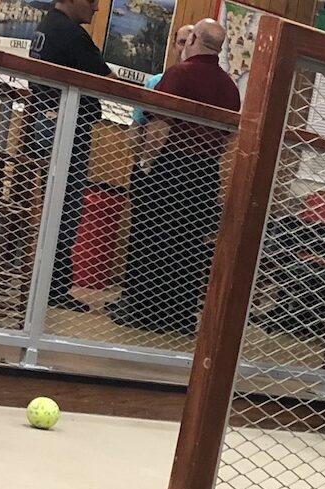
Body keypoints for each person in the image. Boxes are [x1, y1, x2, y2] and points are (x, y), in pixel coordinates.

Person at [107, 19, 240, 335]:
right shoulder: (230, 88)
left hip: (170, 168)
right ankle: (179, 316)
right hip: (206, 174)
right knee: (189, 245)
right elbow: (227, 139)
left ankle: (143, 311)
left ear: (193, 39)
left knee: (154, 238)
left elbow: (159, 127)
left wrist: (146, 164)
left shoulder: (178, 75)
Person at [27, 0, 112, 311]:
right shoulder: (71, 34)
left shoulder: (47, 26)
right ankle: (54, 286)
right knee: (65, 207)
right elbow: (108, 81)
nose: (96, 8)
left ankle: (47, 283)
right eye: (92, 1)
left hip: (46, 120)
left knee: (57, 204)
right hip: (65, 126)